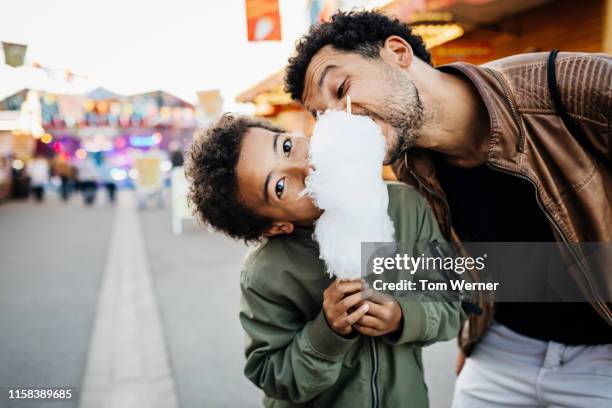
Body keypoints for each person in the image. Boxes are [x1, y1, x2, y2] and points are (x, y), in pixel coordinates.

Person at [283, 10, 611, 407]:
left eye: (341, 87)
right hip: (502, 350)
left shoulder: (571, 84)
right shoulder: (408, 168)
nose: (337, 121)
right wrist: (468, 328)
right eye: (321, 115)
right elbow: (468, 264)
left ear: (397, 53)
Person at [185, 115, 463, 408]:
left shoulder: (405, 207)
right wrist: (327, 332)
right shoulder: (264, 274)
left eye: (287, 146)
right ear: (276, 226)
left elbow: (453, 304)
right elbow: (271, 374)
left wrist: (402, 317)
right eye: (279, 186)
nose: (305, 167)